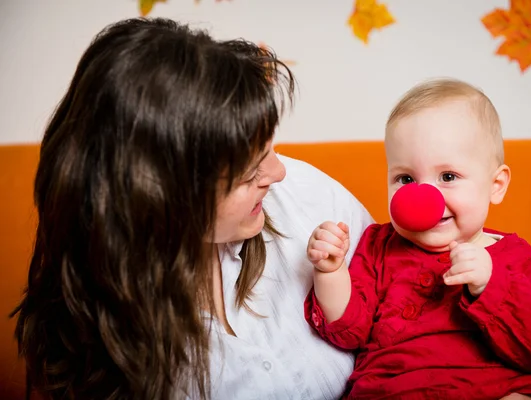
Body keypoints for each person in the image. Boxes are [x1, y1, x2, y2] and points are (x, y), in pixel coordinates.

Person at [11, 18, 374, 400]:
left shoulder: (305, 194)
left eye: (271, 149)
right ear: (162, 197)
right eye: (249, 173)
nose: (278, 173)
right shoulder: (101, 332)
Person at [304, 78, 531, 400]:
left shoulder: (523, 262)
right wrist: (331, 272)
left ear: (495, 185)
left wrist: (491, 283)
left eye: (448, 177)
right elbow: (348, 332)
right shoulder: (378, 246)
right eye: (405, 178)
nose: (422, 196)